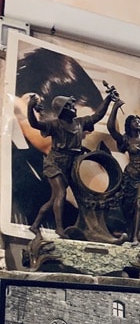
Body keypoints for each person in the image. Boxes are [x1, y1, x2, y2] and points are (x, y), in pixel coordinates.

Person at [25, 86, 118, 238]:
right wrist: (30, 107)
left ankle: (35, 225)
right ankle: (59, 229)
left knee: (54, 198)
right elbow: (35, 124)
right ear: (61, 110)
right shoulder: (55, 124)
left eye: (71, 105)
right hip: (55, 162)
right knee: (60, 193)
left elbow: (97, 116)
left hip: (71, 163)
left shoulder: (80, 123)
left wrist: (108, 99)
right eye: (68, 106)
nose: (72, 108)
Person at [107, 100, 140, 244]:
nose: (137, 122)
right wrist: (115, 108)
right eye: (134, 121)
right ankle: (129, 233)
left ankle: (135, 236)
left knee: (139, 204)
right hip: (130, 176)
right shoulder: (126, 139)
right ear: (129, 125)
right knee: (127, 206)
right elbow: (111, 128)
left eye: (139, 121)